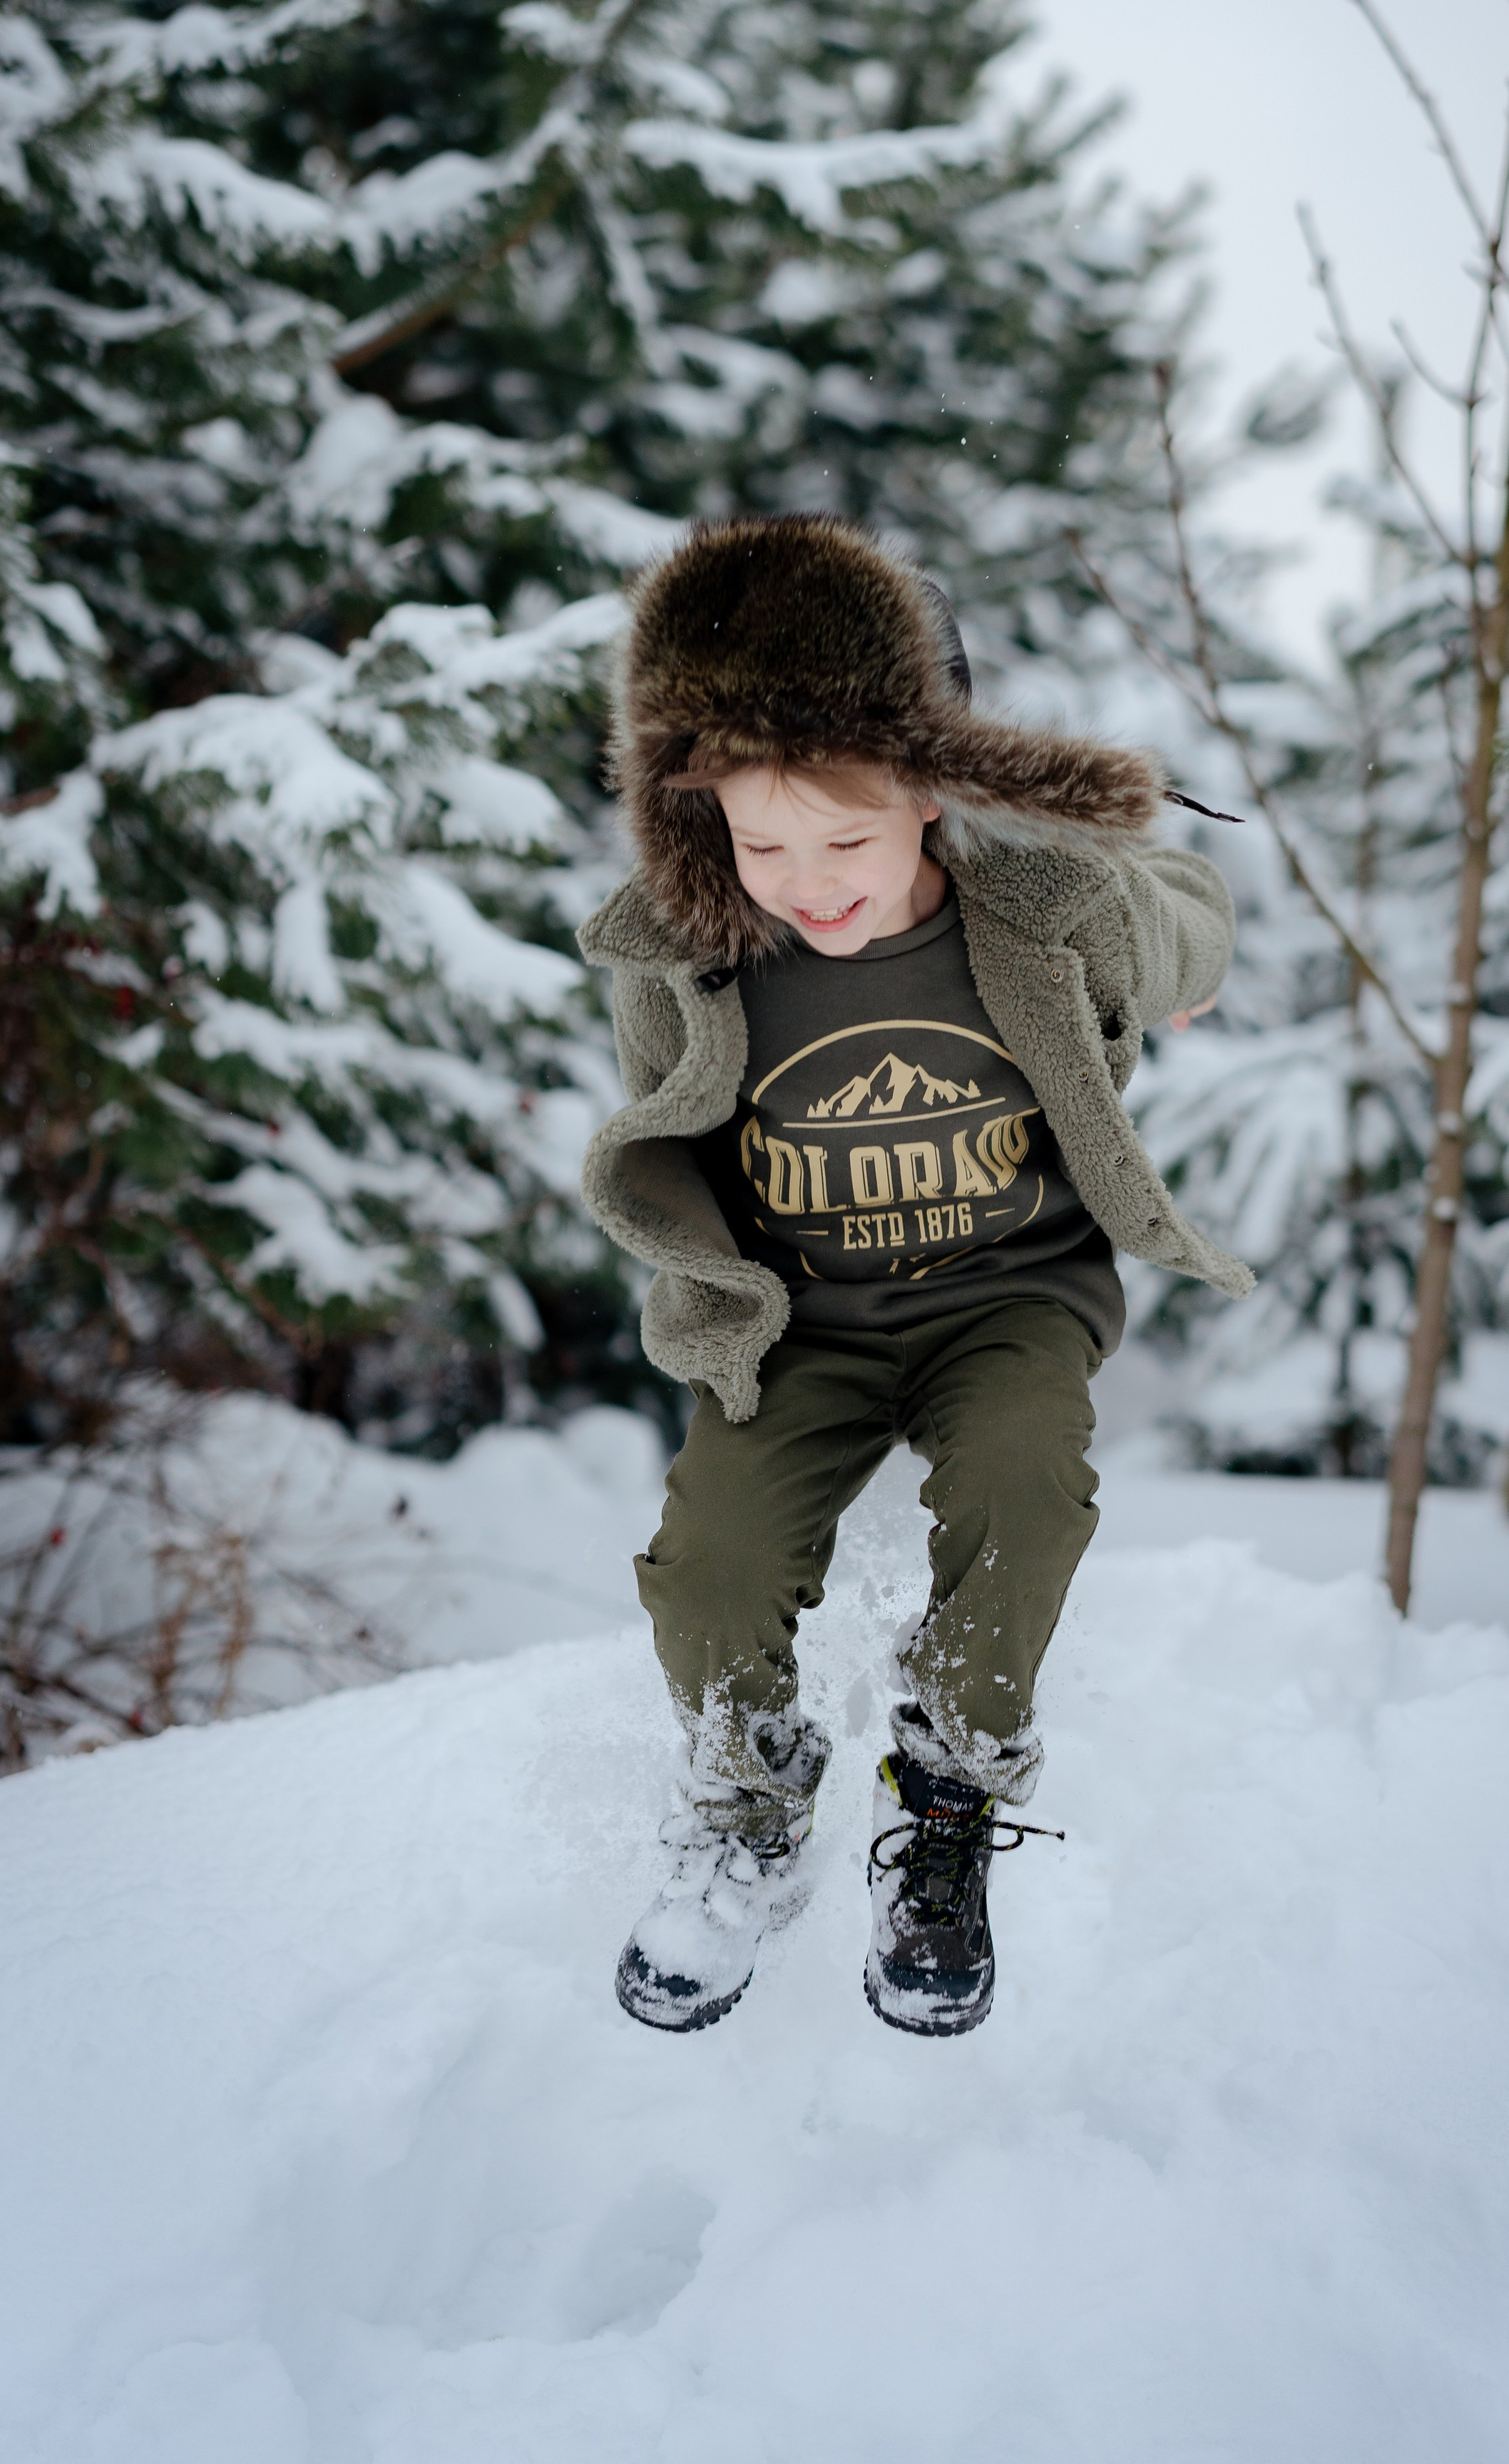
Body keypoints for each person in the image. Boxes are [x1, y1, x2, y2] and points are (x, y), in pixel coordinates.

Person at [576, 515, 1252, 2037]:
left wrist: (1179, 963)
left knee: (1026, 1490)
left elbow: (1182, 905)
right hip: (798, 1316)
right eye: (760, 844)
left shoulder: (1036, 903)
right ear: (699, 824)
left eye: (847, 842)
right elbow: (665, 1120)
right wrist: (710, 1281)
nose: (806, 883)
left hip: (1004, 1296)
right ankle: (748, 1813)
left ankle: (945, 1796)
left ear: (934, 800)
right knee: (710, 1566)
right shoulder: (687, 952)